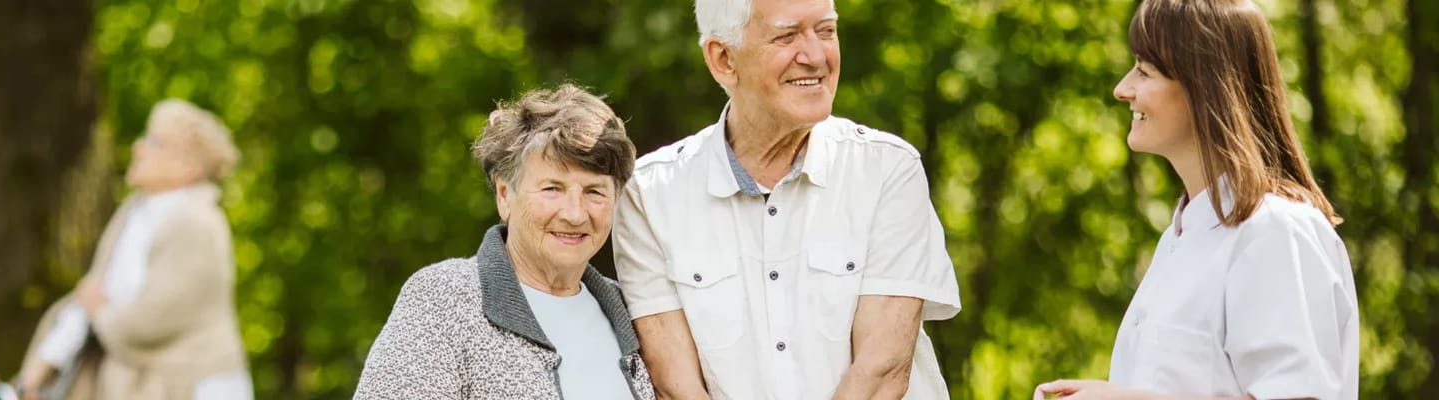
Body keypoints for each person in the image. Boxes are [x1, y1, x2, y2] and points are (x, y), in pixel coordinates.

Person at [612, 0, 963, 398]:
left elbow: (881, 373)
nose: (815, 56)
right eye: (786, 36)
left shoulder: (887, 170)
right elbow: (676, 386)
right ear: (723, 59)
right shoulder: (649, 194)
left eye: (826, 31)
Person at [1032, 1, 1358, 399]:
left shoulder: (1277, 232)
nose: (1123, 89)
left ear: (1205, 87)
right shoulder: (1182, 237)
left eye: (1144, 71)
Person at [354, 84, 654, 399]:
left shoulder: (635, 311)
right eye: (552, 188)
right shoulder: (445, 299)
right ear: (504, 195)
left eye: (594, 191)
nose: (575, 214)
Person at [13, 99, 251, 400]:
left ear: (187, 167)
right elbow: (93, 294)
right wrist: (40, 371)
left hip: (196, 387)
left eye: (155, 143)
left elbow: (150, 320)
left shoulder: (198, 224)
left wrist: (98, 307)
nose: (139, 148)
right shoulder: (134, 213)